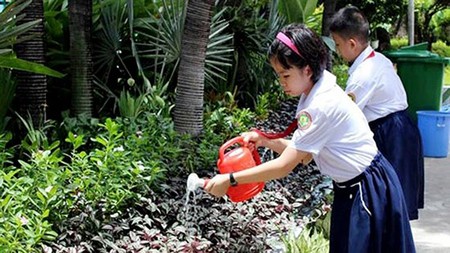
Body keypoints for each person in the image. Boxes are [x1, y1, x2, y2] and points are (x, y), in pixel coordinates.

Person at [205, 23, 415, 253]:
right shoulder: (317, 90)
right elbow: (303, 154)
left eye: (286, 74)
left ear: (307, 69)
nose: (281, 82)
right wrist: (264, 140)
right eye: (278, 75)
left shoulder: (320, 105)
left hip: (366, 188)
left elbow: (285, 165)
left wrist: (230, 179)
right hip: (359, 185)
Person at [329, 5, 424, 220]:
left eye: (337, 44)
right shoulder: (378, 59)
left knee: (389, 204)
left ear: (352, 44)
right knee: (391, 203)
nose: (336, 50)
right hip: (399, 128)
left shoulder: (363, 75)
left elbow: (344, 116)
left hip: (391, 135)